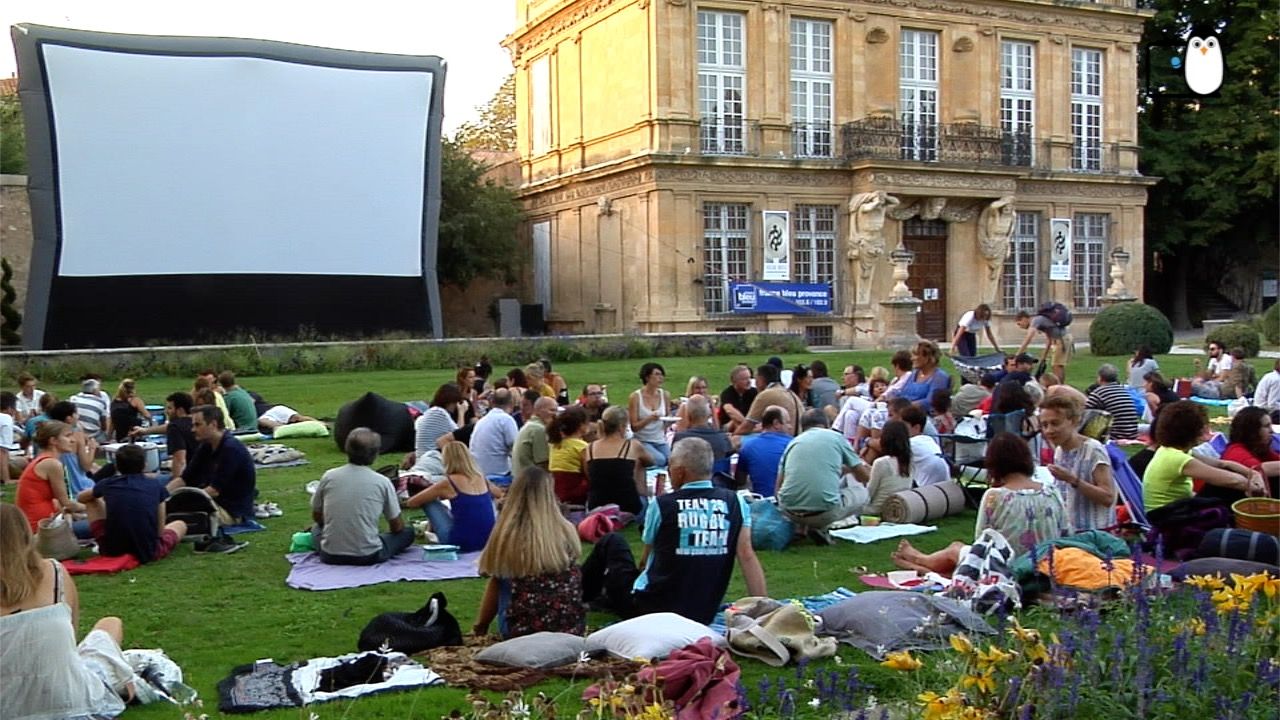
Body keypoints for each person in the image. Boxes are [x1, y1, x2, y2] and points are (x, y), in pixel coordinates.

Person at [580, 437, 767, 624]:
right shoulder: (735, 502)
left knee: (612, 542)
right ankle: (602, 597)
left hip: (651, 609)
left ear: (679, 472)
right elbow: (746, 555)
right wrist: (764, 610)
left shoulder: (663, 505)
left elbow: (646, 562)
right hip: (703, 610)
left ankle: (578, 595)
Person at [0, 503, 138, 719]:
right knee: (110, 624)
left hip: (9, 708)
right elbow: (71, 641)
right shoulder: (54, 573)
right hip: (71, 703)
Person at [891, 433, 1072, 573]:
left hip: (1005, 568)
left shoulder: (995, 496)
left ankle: (921, 560)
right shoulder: (1051, 491)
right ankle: (925, 564)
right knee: (959, 553)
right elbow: (1065, 534)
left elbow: (980, 543)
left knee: (956, 549)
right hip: (1046, 567)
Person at [472, 467, 585, 639]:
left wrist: (481, 625)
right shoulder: (566, 529)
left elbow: (488, 571)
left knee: (500, 578)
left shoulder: (507, 533)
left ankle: (480, 626)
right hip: (569, 626)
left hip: (521, 630)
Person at [309, 428, 414, 565]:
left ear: (347, 449)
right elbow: (397, 526)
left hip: (330, 554)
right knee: (407, 533)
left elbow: (317, 515)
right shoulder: (382, 482)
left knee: (316, 529)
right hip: (368, 555)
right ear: (375, 453)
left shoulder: (329, 476)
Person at [1142, 401, 1266, 511]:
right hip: (1168, 517)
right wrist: (1255, 487)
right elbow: (1232, 480)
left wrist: (1253, 473)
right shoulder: (1176, 458)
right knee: (1228, 488)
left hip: (1176, 509)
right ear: (1193, 430)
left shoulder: (1171, 450)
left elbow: (1222, 464)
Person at [75, 444, 186, 563]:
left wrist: (107, 500)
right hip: (148, 550)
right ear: (145, 465)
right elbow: (159, 530)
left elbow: (81, 497)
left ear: (117, 466)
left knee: (92, 499)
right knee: (180, 524)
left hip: (112, 549)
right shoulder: (155, 485)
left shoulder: (108, 484)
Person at [777, 410, 870, 544]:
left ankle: (801, 529)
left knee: (805, 488)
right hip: (824, 513)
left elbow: (778, 486)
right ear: (826, 424)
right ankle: (820, 527)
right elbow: (863, 476)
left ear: (803, 426)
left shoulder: (793, 443)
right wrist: (860, 469)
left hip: (790, 512)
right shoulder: (836, 437)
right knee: (862, 492)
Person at [1039, 394, 1117, 531]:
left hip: (1095, 533)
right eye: (1044, 425)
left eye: (1055, 423)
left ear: (1074, 421)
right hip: (1070, 531)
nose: (1049, 430)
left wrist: (1072, 480)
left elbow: (1108, 497)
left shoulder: (1093, 450)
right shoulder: (1059, 450)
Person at [173, 405, 257, 526]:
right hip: (212, 502)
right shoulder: (207, 445)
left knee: (174, 516)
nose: (193, 429)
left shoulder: (231, 449)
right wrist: (160, 495)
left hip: (231, 511)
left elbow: (214, 491)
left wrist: (178, 501)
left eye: (198, 425)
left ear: (213, 424)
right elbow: (185, 479)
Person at [406, 441, 497, 553]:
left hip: (459, 544)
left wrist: (432, 492)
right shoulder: (481, 478)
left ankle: (429, 530)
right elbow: (499, 494)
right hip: (487, 541)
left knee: (429, 502)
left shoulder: (448, 483)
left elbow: (412, 503)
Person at [15, 421, 92, 538]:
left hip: (42, 523)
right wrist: (93, 507)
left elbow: (59, 502)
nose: (73, 440)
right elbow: (67, 503)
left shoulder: (44, 460)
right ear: (53, 441)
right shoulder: (52, 464)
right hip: (43, 529)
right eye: (68, 436)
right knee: (107, 521)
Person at [586, 405, 653, 514]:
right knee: (639, 463)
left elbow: (589, 475)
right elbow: (651, 462)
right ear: (622, 426)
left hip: (596, 506)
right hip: (628, 506)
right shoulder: (632, 445)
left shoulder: (590, 448)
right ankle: (644, 499)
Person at [1220, 406, 1280, 498]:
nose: (1271, 431)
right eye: (1266, 426)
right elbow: (1256, 469)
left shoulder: (1258, 448)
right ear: (1252, 430)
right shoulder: (1236, 452)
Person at [408, 383, 468, 472]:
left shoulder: (433, 412)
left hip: (425, 458)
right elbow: (459, 435)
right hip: (431, 460)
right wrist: (461, 412)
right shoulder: (439, 413)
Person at [735, 405, 792, 498]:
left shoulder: (747, 446)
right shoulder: (792, 444)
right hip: (788, 501)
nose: (790, 427)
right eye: (788, 422)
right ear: (776, 423)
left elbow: (740, 481)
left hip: (761, 501)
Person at [671, 395, 736, 476]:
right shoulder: (722, 438)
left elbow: (674, 464)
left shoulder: (680, 438)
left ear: (688, 415)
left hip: (690, 480)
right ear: (709, 414)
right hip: (718, 480)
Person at [45, 401, 97, 497]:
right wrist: (92, 448)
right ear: (69, 418)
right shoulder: (76, 436)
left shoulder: (49, 437)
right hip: (79, 486)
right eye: (76, 413)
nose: (78, 416)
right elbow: (86, 466)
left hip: (58, 489)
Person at [864, 420, 915, 515]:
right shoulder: (909, 461)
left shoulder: (881, 463)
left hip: (875, 509)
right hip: (897, 508)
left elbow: (869, 493)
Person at [469, 387, 519, 482]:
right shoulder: (506, 419)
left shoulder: (482, 420)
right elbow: (516, 448)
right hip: (498, 474)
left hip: (478, 472)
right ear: (512, 403)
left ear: (492, 402)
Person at [628, 362, 673, 467]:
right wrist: (649, 419)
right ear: (647, 377)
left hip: (660, 439)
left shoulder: (665, 395)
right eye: (657, 374)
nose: (660, 378)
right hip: (642, 440)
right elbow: (634, 427)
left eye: (661, 375)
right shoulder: (635, 397)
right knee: (660, 460)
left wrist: (670, 421)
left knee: (672, 460)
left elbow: (666, 419)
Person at [739, 363, 803, 436]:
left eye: (756, 380)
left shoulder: (766, 394)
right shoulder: (790, 393)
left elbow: (747, 427)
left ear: (761, 379)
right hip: (798, 437)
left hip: (784, 439)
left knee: (737, 438)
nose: (755, 384)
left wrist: (733, 435)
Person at [1014, 307, 1073, 382]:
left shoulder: (1035, 321)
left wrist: (1017, 354)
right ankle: (1060, 384)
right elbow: (1049, 339)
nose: (1020, 327)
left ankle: (1060, 385)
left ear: (1024, 319)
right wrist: (1043, 357)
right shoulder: (1040, 321)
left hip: (1062, 339)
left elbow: (1029, 337)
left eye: (1019, 324)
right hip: (1062, 339)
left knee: (1057, 366)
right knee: (1057, 365)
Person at [548, 405, 591, 504]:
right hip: (575, 492)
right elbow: (589, 473)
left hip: (557, 492)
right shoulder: (582, 447)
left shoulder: (555, 444)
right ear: (581, 425)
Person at [1085, 363, 1140, 440]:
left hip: (1114, 436)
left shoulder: (1099, 392)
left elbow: (1085, 413)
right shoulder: (1124, 391)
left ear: (1100, 378)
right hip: (1131, 434)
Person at [900, 406, 951, 487]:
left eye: (904, 427)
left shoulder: (912, 443)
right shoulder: (928, 440)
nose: (900, 430)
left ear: (916, 427)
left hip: (927, 490)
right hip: (945, 487)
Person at [513, 396, 557, 479]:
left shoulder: (530, 425)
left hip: (520, 479)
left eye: (556, 411)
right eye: (552, 410)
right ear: (538, 411)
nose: (555, 414)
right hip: (530, 481)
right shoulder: (538, 429)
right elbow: (543, 464)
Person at [158, 392, 198, 482]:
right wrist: (144, 431)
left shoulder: (175, 427)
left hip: (188, 479)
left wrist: (175, 485)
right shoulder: (196, 423)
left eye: (169, 408)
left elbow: (180, 461)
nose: (166, 411)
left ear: (180, 410)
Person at [717, 364, 757, 431]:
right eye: (745, 379)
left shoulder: (754, 392)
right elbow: (729, 410)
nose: (749, 381)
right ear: (734, 381)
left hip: (749, 424)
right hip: (729, 425)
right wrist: (746, 424)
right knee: (734, 421)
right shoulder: (727, 393)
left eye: (749, 378)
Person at [70, 377, 111, 443]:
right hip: (94, 436)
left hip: (76, 433)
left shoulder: (73, 398)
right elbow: (104, 426)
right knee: (104, 435)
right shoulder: (100, 402)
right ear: (95, 390)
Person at [0, 391, 24, 484]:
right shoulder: (6, 419)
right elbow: (3, 450)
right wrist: (7, 479)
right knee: (23, 463)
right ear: (10, 408)